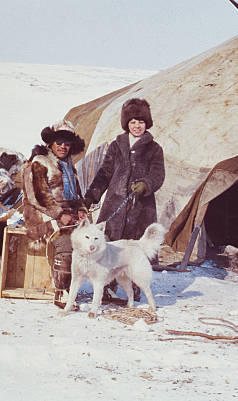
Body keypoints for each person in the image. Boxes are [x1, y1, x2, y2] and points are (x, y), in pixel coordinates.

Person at [83, 98, 165, 301]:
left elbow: (158, 175)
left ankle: (135, 289)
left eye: (141, 121)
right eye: (133, 122)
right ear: (126, 124)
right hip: (115, 206)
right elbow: (105, 174)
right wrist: (91, 197)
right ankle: (108, 288)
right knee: (110, 246)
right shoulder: (116, 146)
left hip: (141, 209)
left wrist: (146, 184)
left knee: (136, 248)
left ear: (147, 124)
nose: (137, 126)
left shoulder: (155, 149)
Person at [22, 119, 87, 307]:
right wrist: (59, 214)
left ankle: (80, 285)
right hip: (40, 215)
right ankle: (61, 292)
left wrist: (81, 210)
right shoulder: (39, 162)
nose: (63, 147)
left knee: (91, 239)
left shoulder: (67, 165)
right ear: (51, 143)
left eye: (67, 143)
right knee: (66, 242)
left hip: (65, 216)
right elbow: (37, 197)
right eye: (60, 142)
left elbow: (77, 194)